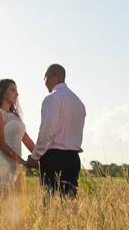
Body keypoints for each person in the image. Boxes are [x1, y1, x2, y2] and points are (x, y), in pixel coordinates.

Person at [25, 64, 86, 198]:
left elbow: (47, 131)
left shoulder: (52, 99)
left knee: (50, 206)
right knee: (69, 204)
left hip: (53, 159)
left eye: (45, 78)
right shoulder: (79, 103)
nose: (45, 82)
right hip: (73, 159)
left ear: (52, 76)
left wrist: (35, 157)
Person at [0, 79, 35, 194]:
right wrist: (23, 162)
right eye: (12, 90)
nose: (17, 94)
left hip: (15, 166)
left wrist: (40, 156)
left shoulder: (15, 116)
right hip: (0, 164)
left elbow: (26, 139)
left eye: (17, 91)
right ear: (2, 92)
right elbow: (2, 145)